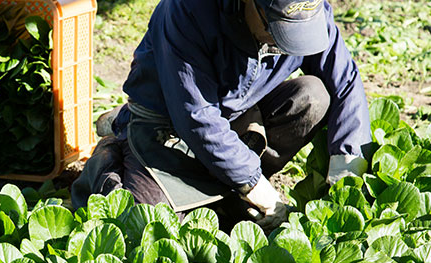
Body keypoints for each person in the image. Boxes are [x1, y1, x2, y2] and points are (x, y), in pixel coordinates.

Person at [72, 0, 371, 230]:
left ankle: (229, 186)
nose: (282, 44)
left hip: (235, 114)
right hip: (170, 123)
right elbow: (196, 117)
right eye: (276, 29)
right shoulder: (188, 11)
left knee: (313, 96)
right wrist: (253, 183)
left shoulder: (308, 10)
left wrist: (347, 167)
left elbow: (345, 83)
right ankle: (116, 146)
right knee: (148, 224)